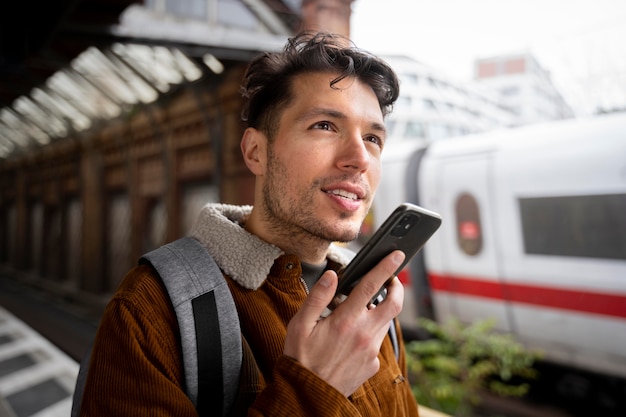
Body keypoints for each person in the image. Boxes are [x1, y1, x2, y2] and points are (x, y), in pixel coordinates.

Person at [77, 32, 420, 416]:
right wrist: (314, 388)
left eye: (373, 138)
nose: (359, 157)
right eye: (325, 125)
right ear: (256, 152)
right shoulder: (151, 309)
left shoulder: (368, 304)